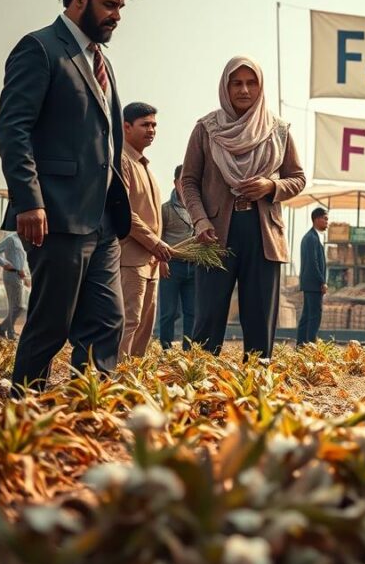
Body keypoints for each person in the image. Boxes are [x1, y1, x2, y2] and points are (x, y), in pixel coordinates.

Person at [0, 0, 136, 392]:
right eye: (109, 5)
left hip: (102, 221)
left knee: (109, 320)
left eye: (120, 8)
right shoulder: (39, 49)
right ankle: (23, 407)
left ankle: (88, 405)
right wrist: (29, 200)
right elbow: (12, 129)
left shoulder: (102, 62)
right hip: (54, 216)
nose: (116, 16)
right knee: (50, 325)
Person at [180, 56, 306, 360]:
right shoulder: (206, 129)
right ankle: (200, 387)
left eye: (251, 83)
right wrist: (199, 221)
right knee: (208, 320)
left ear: (260, 87)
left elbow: (298, 179)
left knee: (260, 320)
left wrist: (271, 187)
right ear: (225, 87)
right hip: (214, 237)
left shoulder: (278, 130)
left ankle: (255, 390)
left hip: (263, 236)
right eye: (236, 83)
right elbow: (188, 181)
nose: (244, 90)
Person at [119, 102, 169, 357]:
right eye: (145, 125)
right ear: (126, 127)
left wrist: (158, 254)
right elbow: (125, 214)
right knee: (129, 322)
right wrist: (156, 244)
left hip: (150, 261)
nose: (151, 130)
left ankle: (133, 380)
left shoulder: (145, 165)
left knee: (145, 327)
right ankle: (115, 380)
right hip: (130, 259)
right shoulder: (122, 161)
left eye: (154, 125)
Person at [158, 164, 196, 350]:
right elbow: (158, 238)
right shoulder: (165, 210)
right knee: (169, 312)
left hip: (193, 266)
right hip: (171, 265)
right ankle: (166, 347)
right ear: (176, 183)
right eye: (184, 180)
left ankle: (188, 350)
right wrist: (161, 261)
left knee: (192, 312)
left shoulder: (197, 209)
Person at [296, 207, 329, 346]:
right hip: (313, 284)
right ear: (317, 219)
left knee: (307, 315)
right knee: (315, 315)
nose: (327, 222)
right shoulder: (311, 238)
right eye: (325, 219)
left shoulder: (312, 237)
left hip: (309, 283)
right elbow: (313, 262)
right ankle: (310, 345)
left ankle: (301, 345)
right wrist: (322, 281)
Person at [0, 232, 30, 340]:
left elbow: (22, 261)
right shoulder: (11, 239)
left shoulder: (25, 240)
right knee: (19, 306)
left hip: (19, 277)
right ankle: (8, 331)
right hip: (11, 275)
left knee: (16, 306)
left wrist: (25, 276)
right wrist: (4, 263)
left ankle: (3, 329)